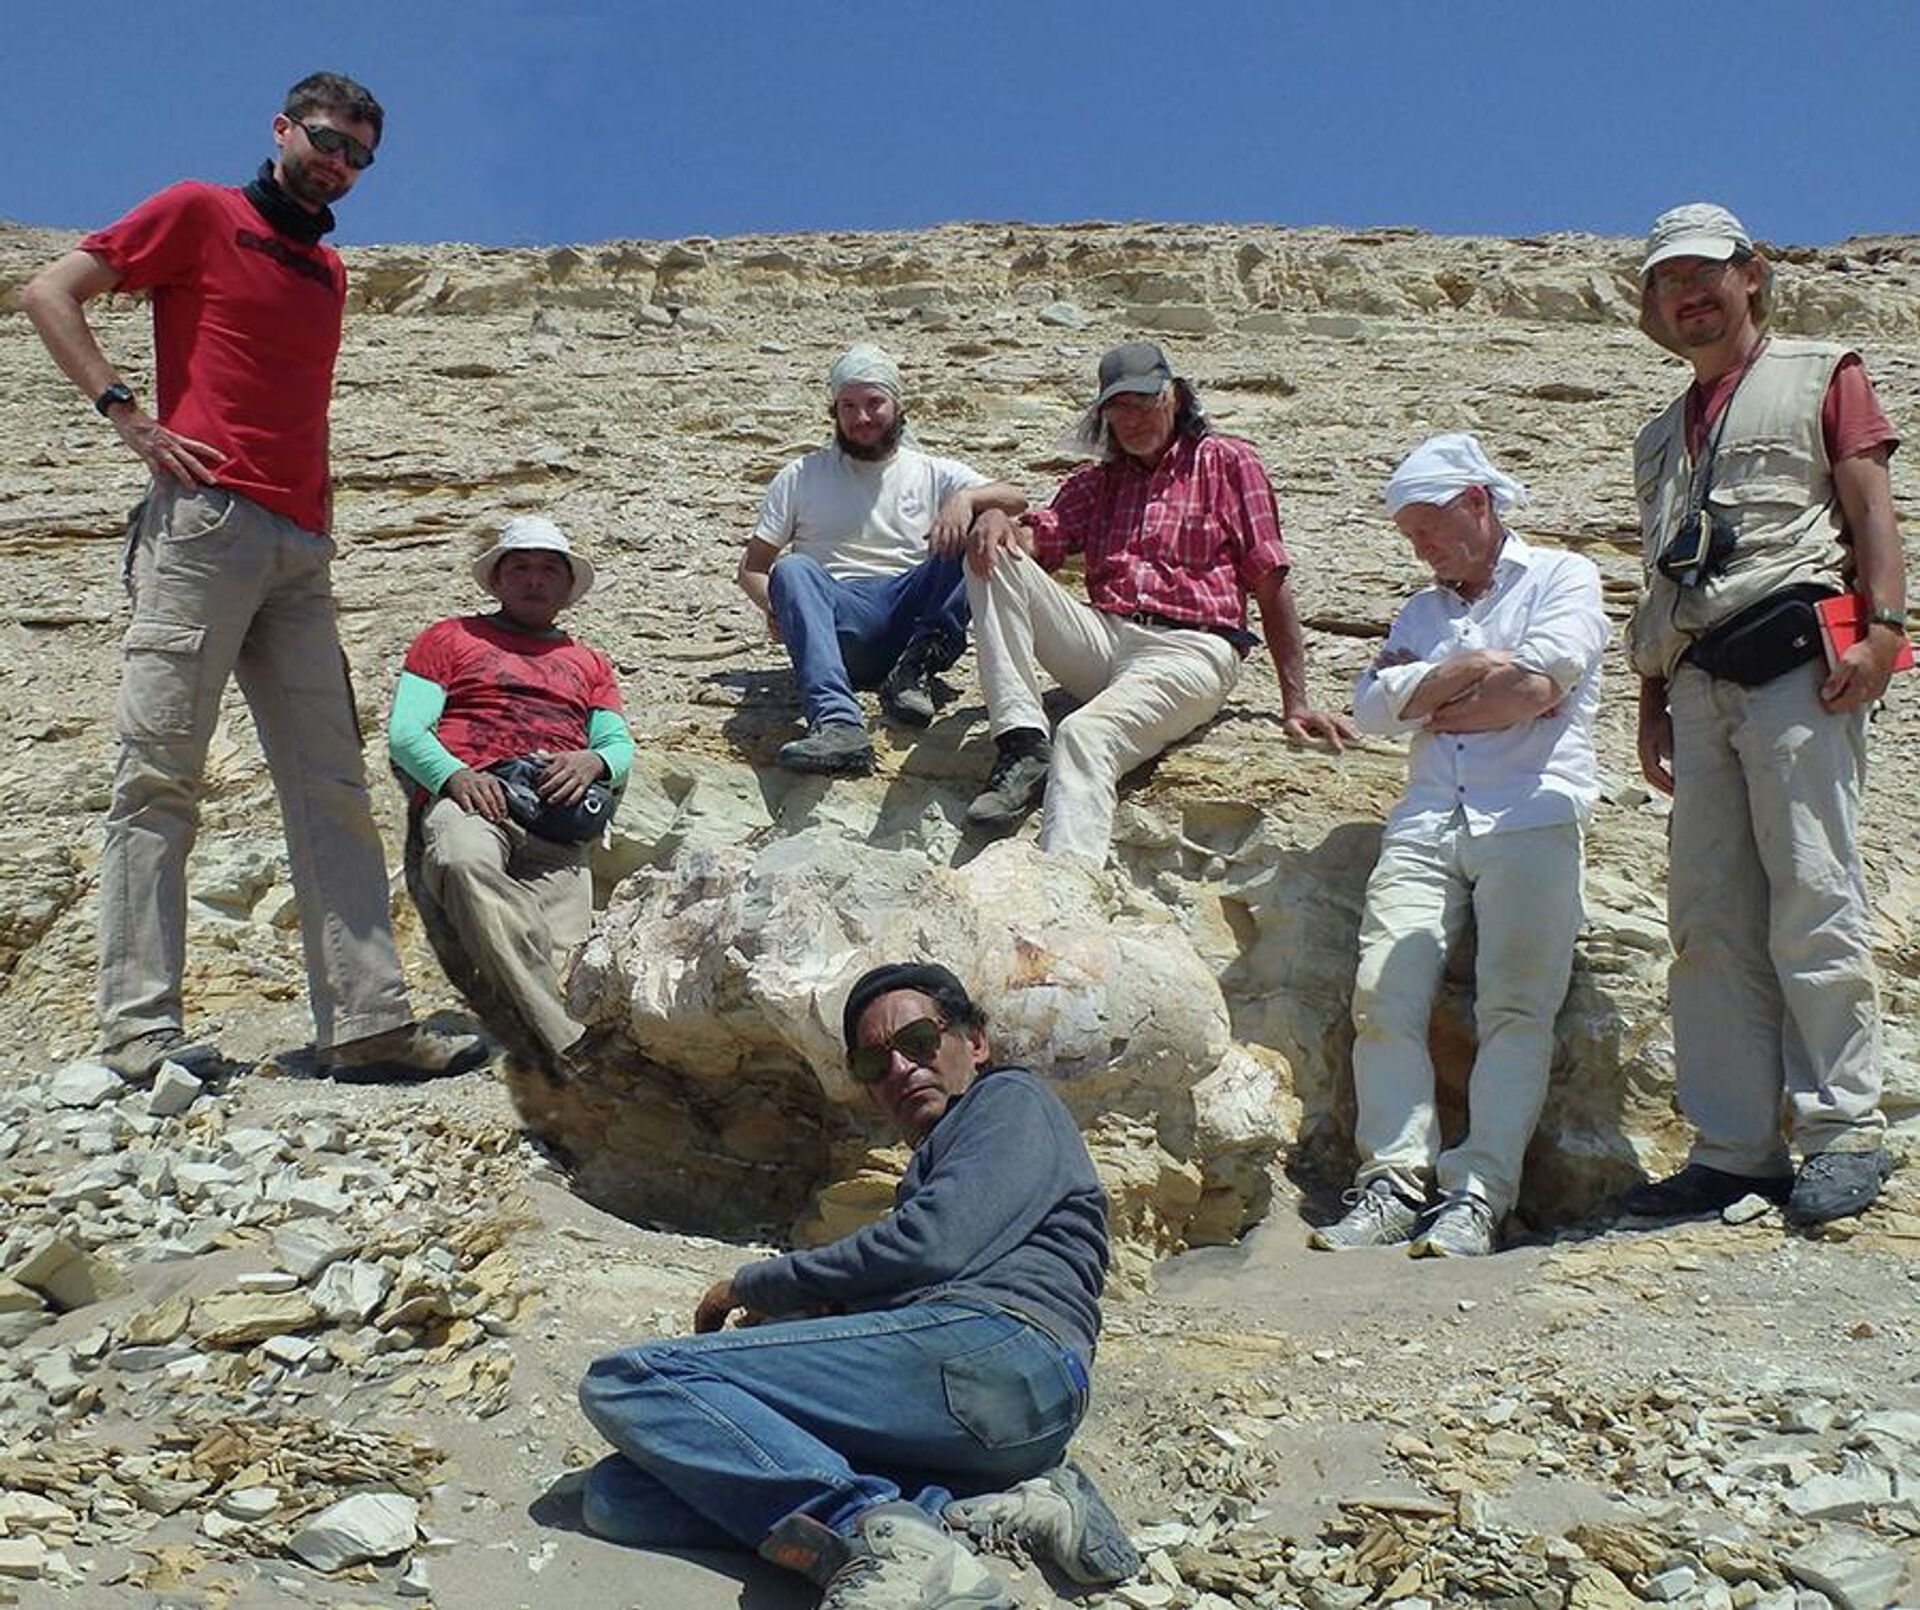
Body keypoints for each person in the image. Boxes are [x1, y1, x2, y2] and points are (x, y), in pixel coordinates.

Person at [20, 72, 484, 1083]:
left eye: (360, 156)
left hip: (298, 548)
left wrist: (319, 519)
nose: (339, 165)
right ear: (283, 128)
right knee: (158, 774)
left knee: (332, 784)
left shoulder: (328, 270)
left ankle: (364, 1021)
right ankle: (139, 1030)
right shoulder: (199, 211)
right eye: (326, 141)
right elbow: (49, 289)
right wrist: (125, 412)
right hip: (205, 527)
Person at [576, 962, 1138, 1610]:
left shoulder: (1011, 1100)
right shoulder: (944, 1157)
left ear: (974, 1042)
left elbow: (932, 1245)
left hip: (1009, 1351)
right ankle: (1006, 1505)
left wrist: (756, 1286)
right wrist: (822, 1313)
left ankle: (886, 1542)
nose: (899, 1069)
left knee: (635, 1379)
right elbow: (923, 1275)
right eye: (873, 1064)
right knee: (622, 1496)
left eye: (919, 1042)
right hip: (981, 1413)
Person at [1621, 203, 1906, 1227]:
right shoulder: (1660, 432)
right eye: (1667, 281)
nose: (1686, 294)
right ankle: (1735, 1148)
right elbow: (1659, 570)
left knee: (1813, 891)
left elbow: (1870, 502)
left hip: (1799, 663)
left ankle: (1843, 1130)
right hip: (1697, 682)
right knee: (1707, 920)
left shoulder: (1823, 370)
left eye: (1703, 273)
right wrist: (1651, 694)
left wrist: (1886, 632)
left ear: (1751, 275)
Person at [1312, 436, 1608, 1258]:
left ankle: (1480, 1194)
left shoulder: (1564, 578)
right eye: (1411, 537)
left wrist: (1428, 695)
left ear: (1477, 504)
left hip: (1531, 814)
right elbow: (1371, 710)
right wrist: (1467, 669)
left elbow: (1541, 684)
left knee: (1518, 1007)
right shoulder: (1423, 612)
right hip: (1430, 815)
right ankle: (1393, 1182)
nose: (1424, 549)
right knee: (1382, 994)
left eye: (1432, 529)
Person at [962, 341, 1356, 863]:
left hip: (1190, 651)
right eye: (1118, 407)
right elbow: (1041, 539)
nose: (1132, 419)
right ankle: (1021, 740)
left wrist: (1296, 702)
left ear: (1175, 396)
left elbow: (1269, 577)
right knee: (991, 552)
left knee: (1084, 734)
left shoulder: (1228, 462)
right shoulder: (1096, 484)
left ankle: (1065, 887)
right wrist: (994, 520)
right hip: (1105, 637)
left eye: (1145, 403)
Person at [389, 517, 633, 1078]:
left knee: (573, 964)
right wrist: (455, 778)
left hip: (557, 813)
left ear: (568, 586)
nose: (534, 580)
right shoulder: (448, 638)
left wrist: (592, 761)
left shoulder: (588, 661)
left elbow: (617, 743)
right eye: (519, 567)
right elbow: (406, 733)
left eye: (549, 569)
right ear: (496, 580)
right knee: (460, 859)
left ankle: (558, 1049)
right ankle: (572, 1049)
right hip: (478, 794)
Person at [737, 345, 1026, 774]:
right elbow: (753, 568)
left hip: (909, 616)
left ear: (897, 405)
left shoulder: (933, 472)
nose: (862, 418)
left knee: (977, 529)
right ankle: (837, 724)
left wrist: (966, 500)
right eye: (848, 406)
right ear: (834, 411)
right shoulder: (800, 476)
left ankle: (915, 671)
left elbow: (1016, 497)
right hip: (836, 623)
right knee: (793, 569)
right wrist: (780, 606)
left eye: (874, 403)